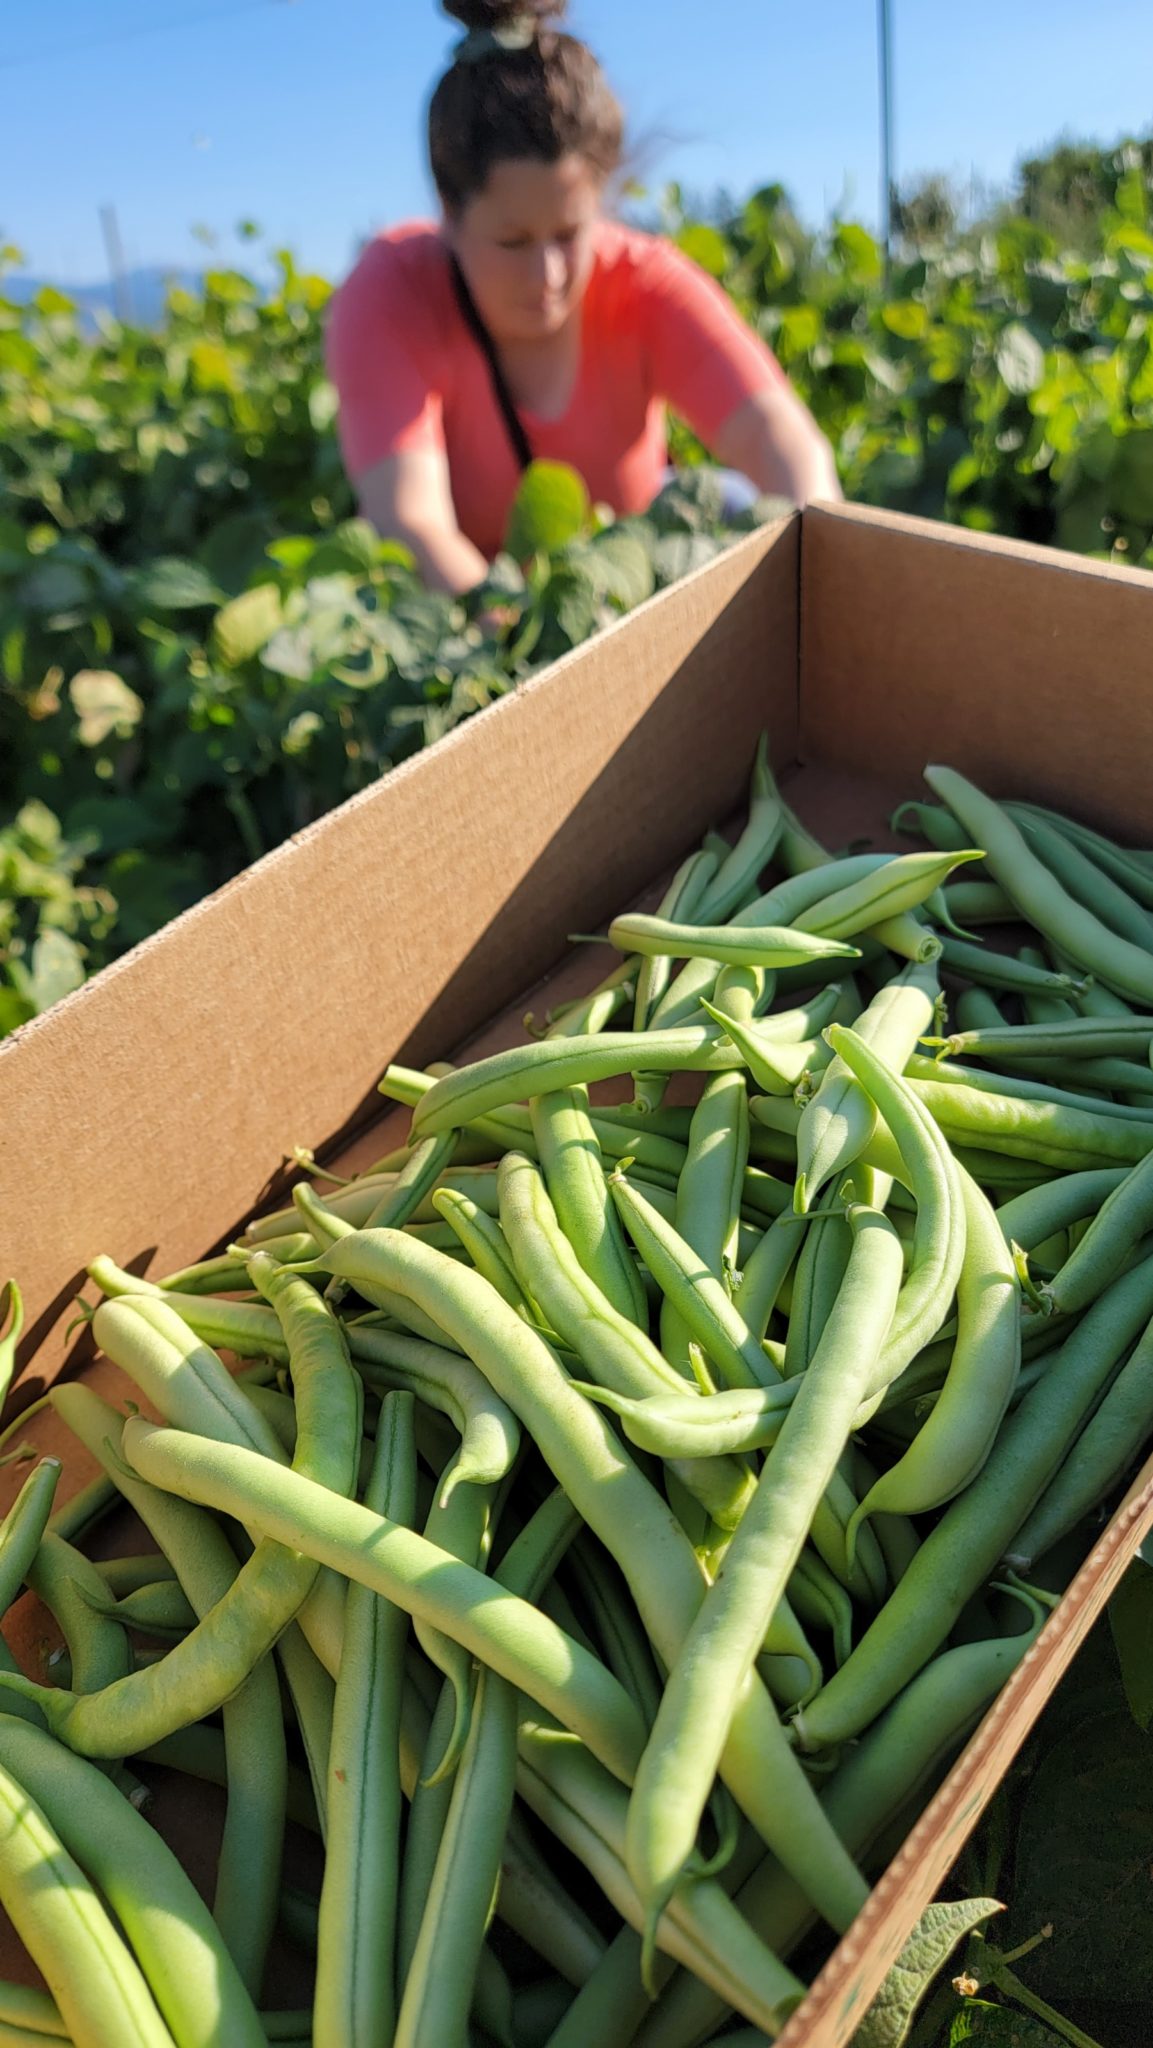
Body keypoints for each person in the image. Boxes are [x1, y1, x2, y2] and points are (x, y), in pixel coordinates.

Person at [326, 0, 842, 595]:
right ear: (448, 214)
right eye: (512, 242)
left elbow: (778, 438)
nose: (547, 274)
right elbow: (411, 525)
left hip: (630, 584)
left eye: (570, 235)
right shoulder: (391, 292)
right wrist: (536, 652)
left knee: (738, 505)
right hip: (473, 612)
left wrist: (826, 582)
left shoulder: (642, 279)